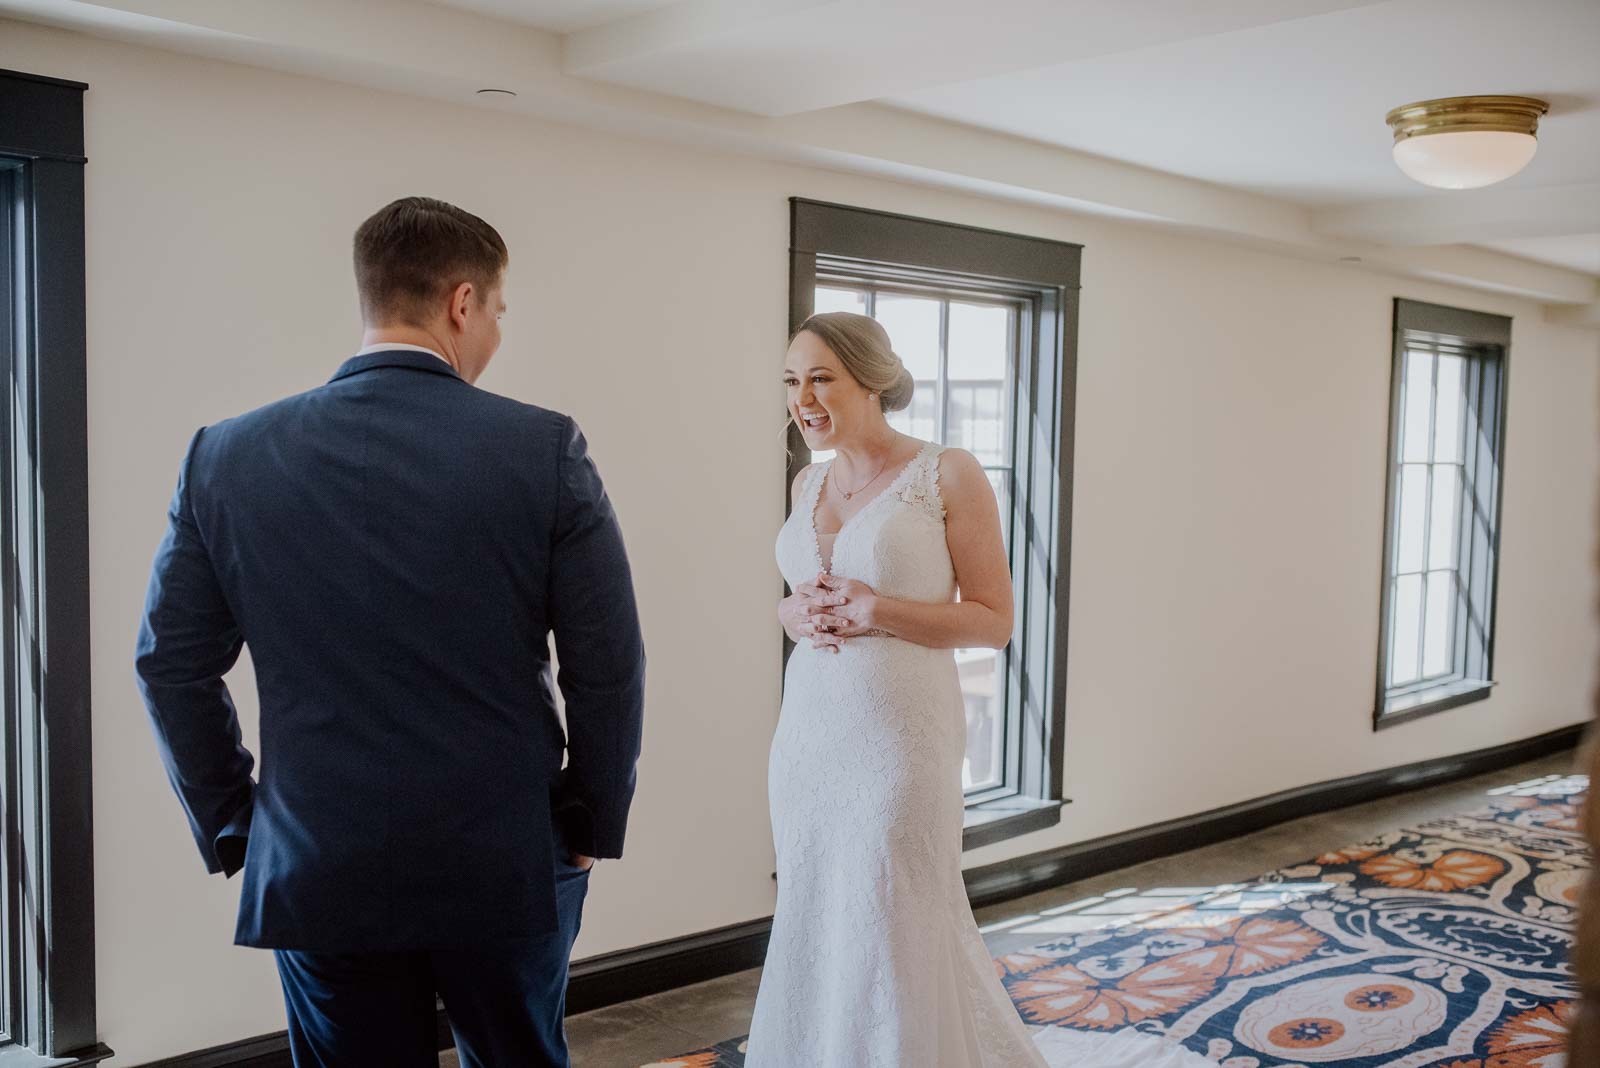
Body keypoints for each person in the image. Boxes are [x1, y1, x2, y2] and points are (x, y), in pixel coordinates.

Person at [134, 196, 645, 1068]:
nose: (495, 331)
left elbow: (171, 668)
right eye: (498, 310)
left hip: (317, 856)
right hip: (506, 852)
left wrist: (238, 823)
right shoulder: (542, 448)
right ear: (461, 302)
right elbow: (606, 665)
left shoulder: (223, 455)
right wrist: (591, 820)